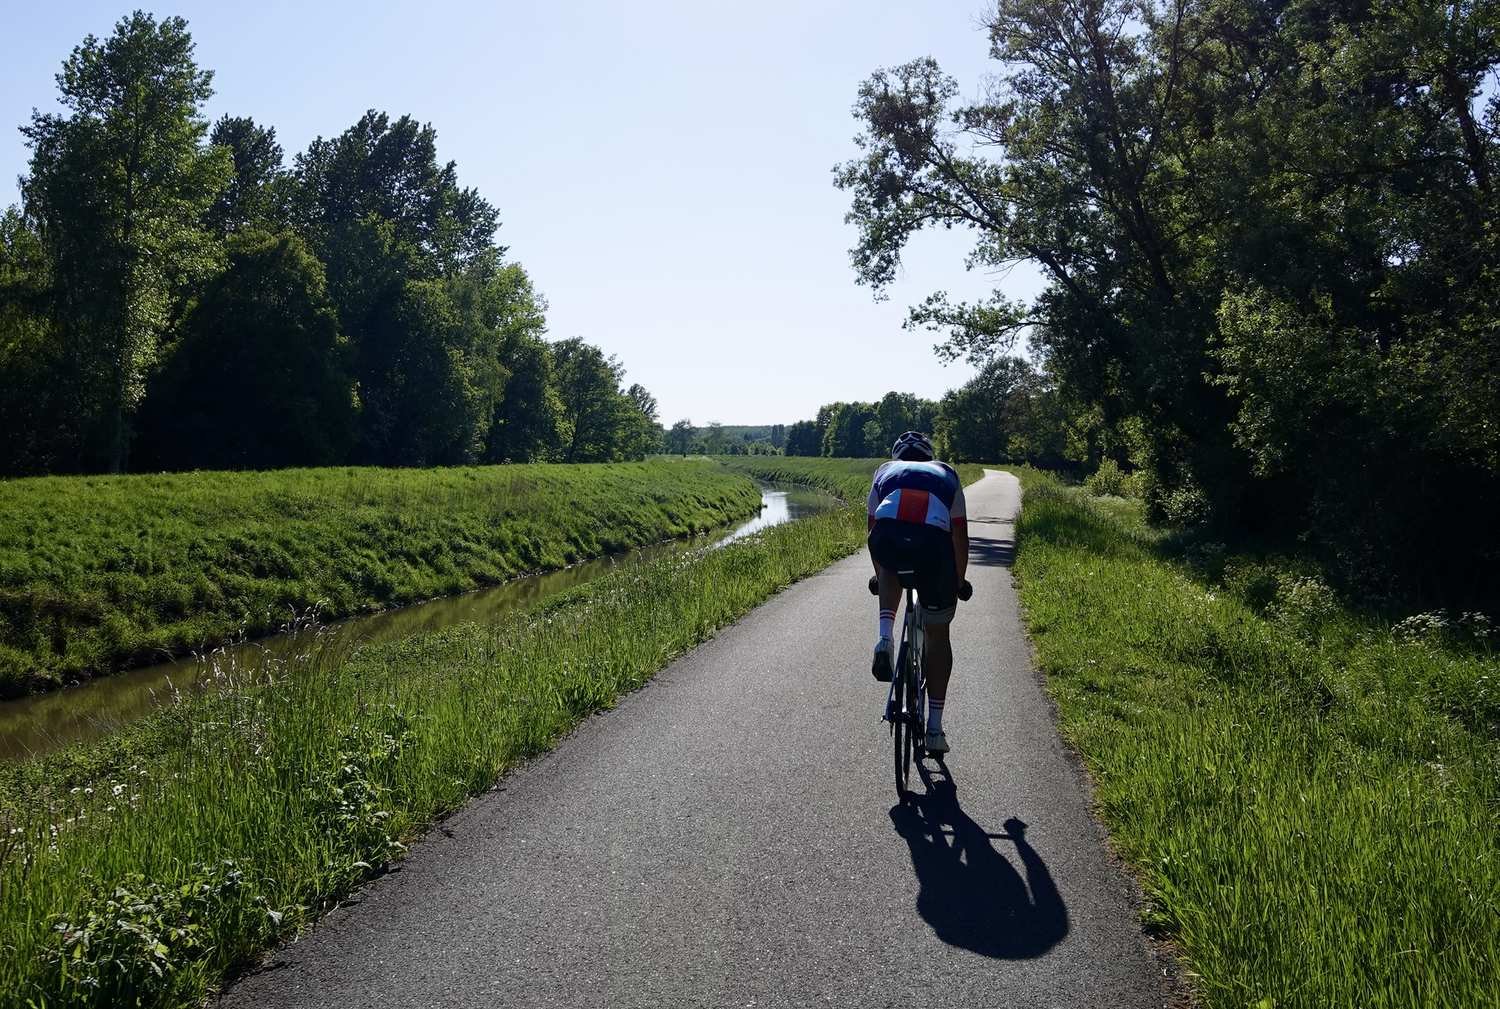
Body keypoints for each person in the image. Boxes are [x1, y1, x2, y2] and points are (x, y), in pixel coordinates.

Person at [866, 431, 970, 755]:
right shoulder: (947, 473)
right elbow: (960, 535)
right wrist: (959, 580)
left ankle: (885, 636)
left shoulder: (884, 471)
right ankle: (935, 728)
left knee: (890, 560)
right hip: (934, 551)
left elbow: (872, 527)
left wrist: (877, 571)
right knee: (938, 635)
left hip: (889, 540)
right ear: (930, 456)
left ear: (898, 456)